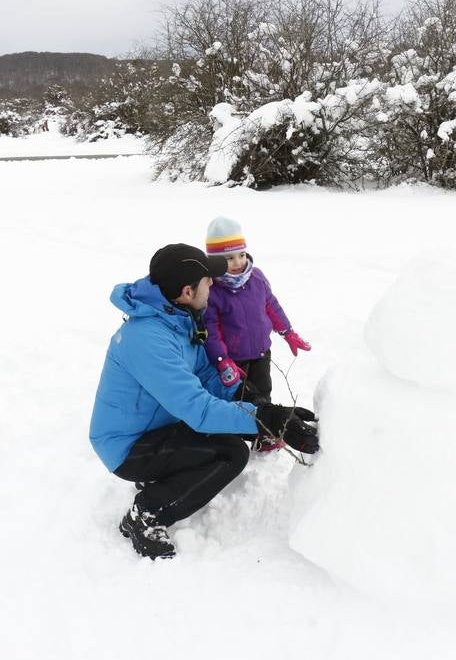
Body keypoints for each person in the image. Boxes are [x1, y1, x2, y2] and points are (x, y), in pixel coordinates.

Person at [89, 243, 318, 561]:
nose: (213, 285)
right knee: (230, 453)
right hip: (128, 445)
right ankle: (147, 515)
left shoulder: (176, 317)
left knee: (228, 434)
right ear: (186, 291)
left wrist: (260, 406)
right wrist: (262, 417)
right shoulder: (149, 340)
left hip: (161, 424)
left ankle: (163, 474)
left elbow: (208, 377)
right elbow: (198, 409)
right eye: (207, 281)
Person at [204, 216, 311, 401]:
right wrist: (221, 359)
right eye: (229, 258)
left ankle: (265, 426)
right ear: (215, 261)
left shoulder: (256, 277)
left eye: (242, 254)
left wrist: (287, 331)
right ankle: (243, 428)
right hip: (235, 361)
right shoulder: (212, 290)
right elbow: (211, 331)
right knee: (242, 398)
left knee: (263, 391)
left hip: (262, 353)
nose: (238, 262)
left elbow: (271, 305)